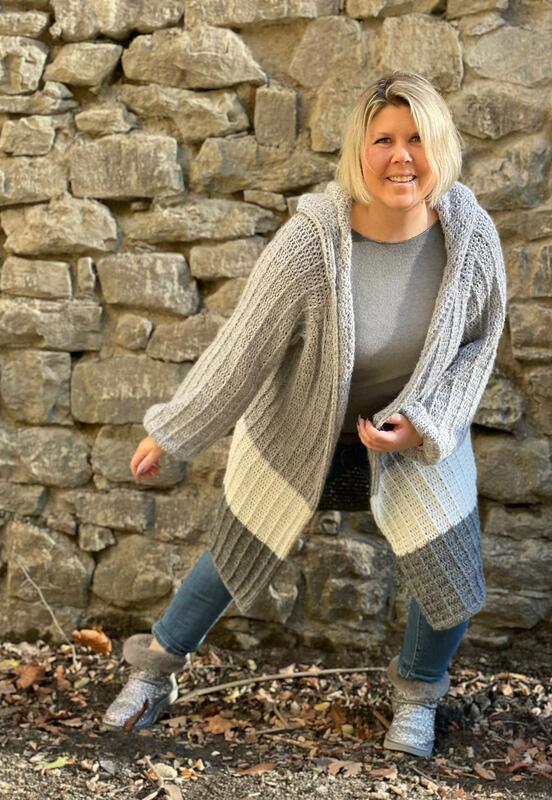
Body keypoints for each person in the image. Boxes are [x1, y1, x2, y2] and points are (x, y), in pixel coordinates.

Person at [102, 71, 507, 759]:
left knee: (450, 567)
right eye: (384, 140)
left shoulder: (470, 237)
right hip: (301, 429)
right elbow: (245, 348)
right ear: (359, 150)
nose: (402, 157)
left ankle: (418, 696)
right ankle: (154, 671)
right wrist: (173, 431)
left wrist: (429, 423)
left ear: (441, 146)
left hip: (414, 435)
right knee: (235, 550)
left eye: (417, 138)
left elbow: (479, 343)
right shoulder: (312, 244)